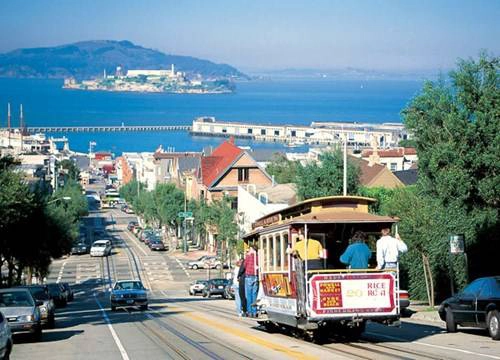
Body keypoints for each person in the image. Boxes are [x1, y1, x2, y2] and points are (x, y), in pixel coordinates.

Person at [244, 245, 259, 317]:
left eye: (250, 249)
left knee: (249, 295)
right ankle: (255, 311)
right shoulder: (258, 256)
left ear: (252, 249)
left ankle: (249, 312)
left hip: (249, 276)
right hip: (256, 276)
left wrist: (247, 255)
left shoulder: (248, 256)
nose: (249, 250)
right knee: (254, 295)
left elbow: (245, 265)